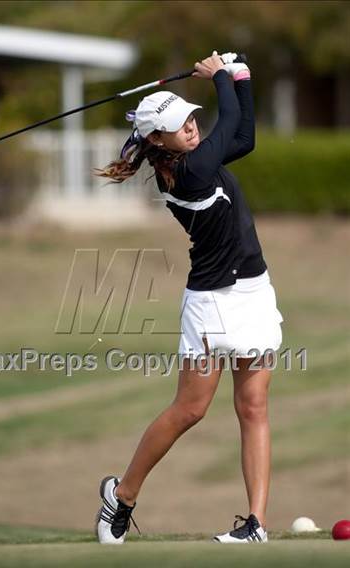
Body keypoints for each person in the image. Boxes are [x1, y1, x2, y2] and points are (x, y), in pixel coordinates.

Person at [94, 51, 283, 545]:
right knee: (190, 410)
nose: (193, 128)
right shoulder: (191, 171)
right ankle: (123, 493)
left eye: (192, 119)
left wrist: (240, 75)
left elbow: (244, 135)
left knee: (254, 405)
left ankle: (256, 524)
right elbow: (232, 120)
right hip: (212, 304)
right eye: (181, 125)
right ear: (158, 140)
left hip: (254, 292)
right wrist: (219, 74)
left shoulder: (196, 157)